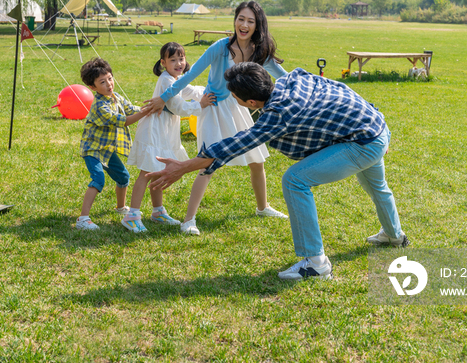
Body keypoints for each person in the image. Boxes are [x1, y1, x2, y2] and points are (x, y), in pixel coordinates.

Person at [148, 62, 409, 281]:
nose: (235, 101)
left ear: (251, 102)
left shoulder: (278, 115)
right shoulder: (293, 77)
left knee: (294, 180)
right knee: (377, 186)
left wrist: (182, 167)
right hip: (374, 128)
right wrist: (377, 124)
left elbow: (234, 145)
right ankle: (394, 235)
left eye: (236, 98)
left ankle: (316, 263)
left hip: (363, 141)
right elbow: (341, 88)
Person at [143, 1, 289, 236]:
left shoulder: (259, 51)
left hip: (238, 107)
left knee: (257, 160)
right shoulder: (220, 47)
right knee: (207, 162)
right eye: (241, 18)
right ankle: (188, 220)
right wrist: (163, 98)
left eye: (250, 21)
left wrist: (310, 90)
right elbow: (188, 76)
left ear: (257, 25)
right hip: (213, 106)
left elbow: (286, 77)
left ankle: (263, 207)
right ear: (234, 20)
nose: (244, 25)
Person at [123, 42, 215, 233]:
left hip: (166, 129)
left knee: (159, 169)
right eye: (173, 60)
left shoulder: (177, 78)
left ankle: (157, 212)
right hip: (155, 129)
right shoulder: (166, 80)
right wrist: (202, 105)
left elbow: (189, 90)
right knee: (146, 172)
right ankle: (132, 215)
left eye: (181, 59)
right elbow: (178, 106)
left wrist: (207, 91)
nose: (178, 63)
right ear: (163, 63)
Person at [76, 58, 150, 231]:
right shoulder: (100, 106)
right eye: (102, 82)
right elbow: (122, 121)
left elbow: (131, 109)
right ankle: (83, 218)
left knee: (123, 177)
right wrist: (144, 113)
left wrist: (147, 108)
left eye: (110, 78)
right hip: (93, 149)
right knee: (98, 178)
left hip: (107, 149)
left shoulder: (116, 97)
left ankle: (120, 208)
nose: (109, 84)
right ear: (93, 87)